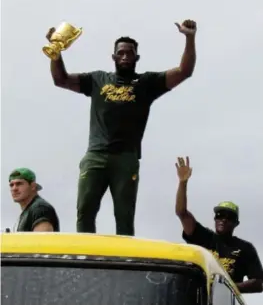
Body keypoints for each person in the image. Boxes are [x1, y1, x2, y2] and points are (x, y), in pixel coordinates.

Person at [46, 19, 197, 236]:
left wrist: (189, 38)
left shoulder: (146, 83)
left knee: (124, 216)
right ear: (114, 57)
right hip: (96, 155)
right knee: (85, 211)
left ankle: (124, 265)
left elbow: (184, 71)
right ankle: (86, 261)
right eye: (121, 53)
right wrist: (56, 52)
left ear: (137, 57)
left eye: (130, 53)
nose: (125, 56)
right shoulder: (98, 79)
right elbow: (60, 79)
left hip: (125, 159)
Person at [174, 156, 263, 294]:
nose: (223, 219)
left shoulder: (245, 248)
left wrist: (228, 288)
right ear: (215, 219)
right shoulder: (204, 237)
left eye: (229, 217)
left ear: (236, 223)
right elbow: (182, 213)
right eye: (219, 215)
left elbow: (258, 283)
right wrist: (183, 182)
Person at [9, 168, 60, 232]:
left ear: (33, 186)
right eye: (11, 185)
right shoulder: (30, 210)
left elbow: (41, 241)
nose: (14, 188)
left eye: (19, 184)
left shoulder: (40, 208)